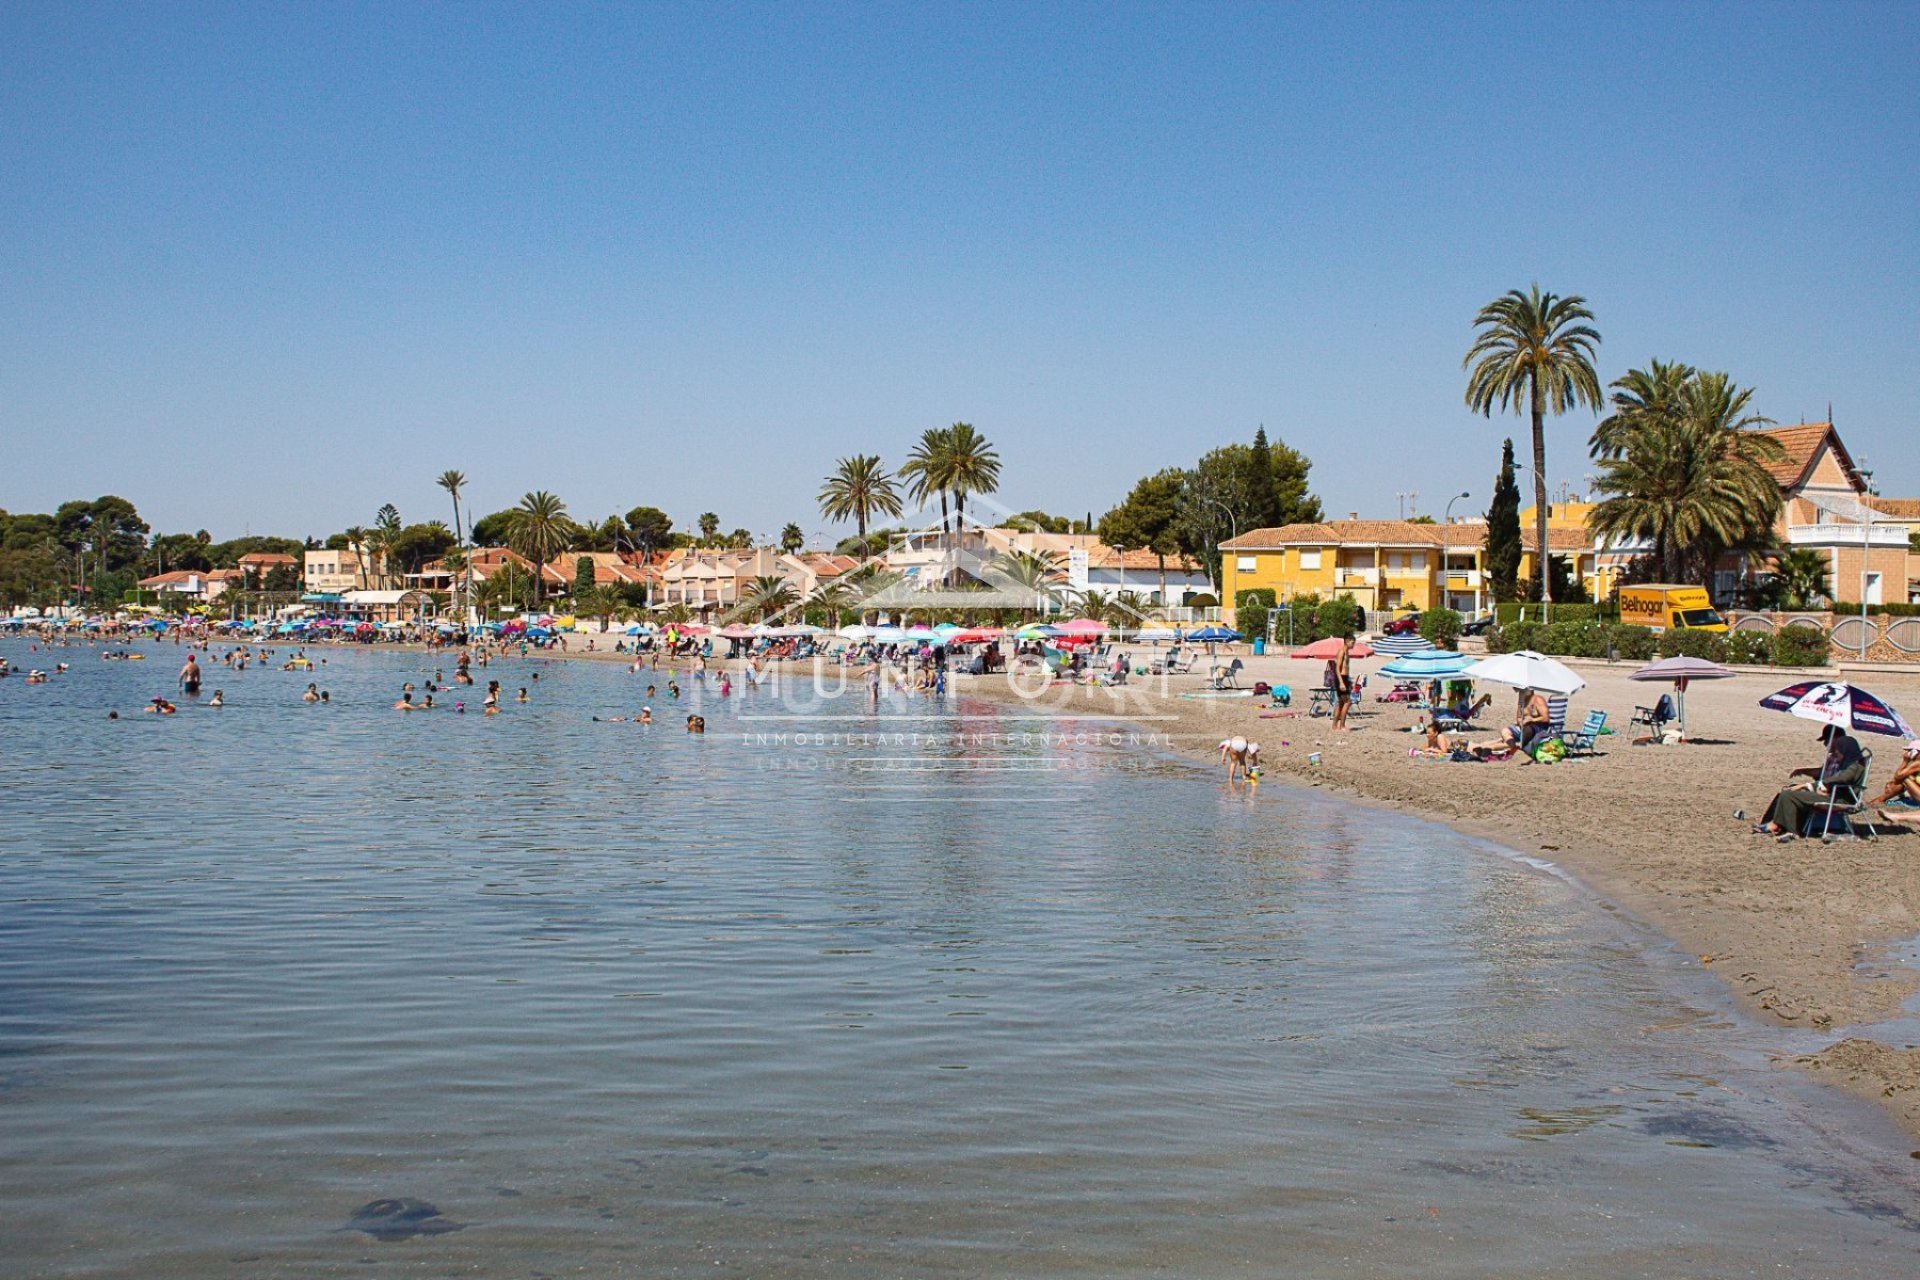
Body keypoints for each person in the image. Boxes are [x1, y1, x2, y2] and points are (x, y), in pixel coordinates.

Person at [1753, 725, 1868, 837]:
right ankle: (1775, 824)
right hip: (1831, 794)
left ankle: (1790, 830)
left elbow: (1841, 778)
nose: (1835, 753)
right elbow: (1833, 777)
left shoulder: (1855, 766)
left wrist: (1812, 785)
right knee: (1788, 792)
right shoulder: (1848, 764)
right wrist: (1817, 784)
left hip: (1837, 799)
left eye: (1839, 751)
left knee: (1789, 794)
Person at [1871, 739, 1920, 812]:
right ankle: (1880, 799)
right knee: (1905, 778)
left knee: (1904, 778)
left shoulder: (1918, 764)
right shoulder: (1915, 765)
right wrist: (1893, 782)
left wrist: (1905, 761)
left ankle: (1880, 799)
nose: (1907, 753)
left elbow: (1898, 776)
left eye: (1910, 751)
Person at [1331, 634, 1353, 731]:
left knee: (1340, 703)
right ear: (1347, 641)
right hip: (1341, 678)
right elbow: (1337, 668)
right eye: (1352, 642)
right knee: (1348, 702)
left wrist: (1348, 681)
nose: (1353, 645)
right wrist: (1341, 682)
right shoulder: (1341, 652)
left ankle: (1334, 726)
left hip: (1345, 678)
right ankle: (1342, 726)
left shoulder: (1347, 652)